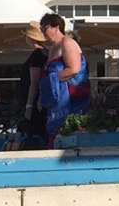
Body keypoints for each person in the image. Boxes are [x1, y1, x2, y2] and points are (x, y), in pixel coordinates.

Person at [37, 13, 88, 144]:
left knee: (68, 134)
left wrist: (50, 80)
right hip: (56, 100)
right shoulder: (52, 49)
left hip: (71, 98)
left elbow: (74, 69)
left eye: (45, 28)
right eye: (41, 28)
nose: (42, 31)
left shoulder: (68, 43)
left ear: (57, 27)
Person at [20, 23, 50, 147]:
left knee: (33, 133)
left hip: (35, 102)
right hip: (42, 99)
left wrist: (29, 105)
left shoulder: (37, 55)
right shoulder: (46, 53)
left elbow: (34, 81)